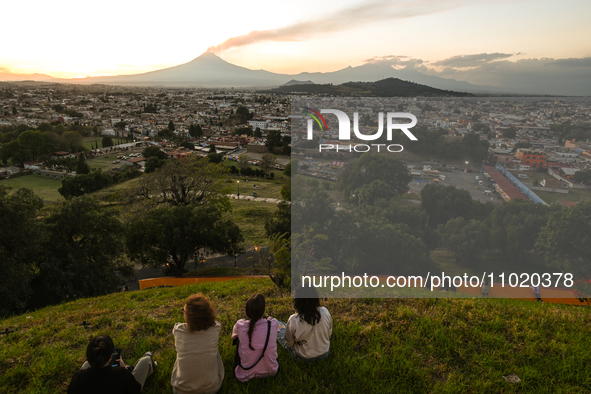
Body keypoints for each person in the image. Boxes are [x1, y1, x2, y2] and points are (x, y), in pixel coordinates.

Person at [171, 294, 224, 394]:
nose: (182, 312)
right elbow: (216, 323)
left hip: (182, 391)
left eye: (184, 310)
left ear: (189, 317)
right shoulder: (215, 329)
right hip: (211, 389)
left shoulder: (178, 331)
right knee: (213, 349)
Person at [67, 334, 155, 394]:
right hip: (125, 378)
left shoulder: (78, 378)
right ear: (110, 356)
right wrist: (125, 369)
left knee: (86, 364)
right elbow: (136, 390)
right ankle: (148, 358)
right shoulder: (121, 374)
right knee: (145, 361)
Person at [231, 294, 279, 382]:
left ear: (247, 312)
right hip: (271, 370)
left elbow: (233, 338)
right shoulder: (273, 323)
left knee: (238, 339)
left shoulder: (240, 325)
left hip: (245, 374)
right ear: (263, 310)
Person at [277, 286, 332, 362]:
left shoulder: (294, 319)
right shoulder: (325, 312)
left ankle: (276, 324)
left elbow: (289, 343)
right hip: (325, 354)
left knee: (278, 328)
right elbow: (329, 334)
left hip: (302, 358)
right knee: (288, 327)